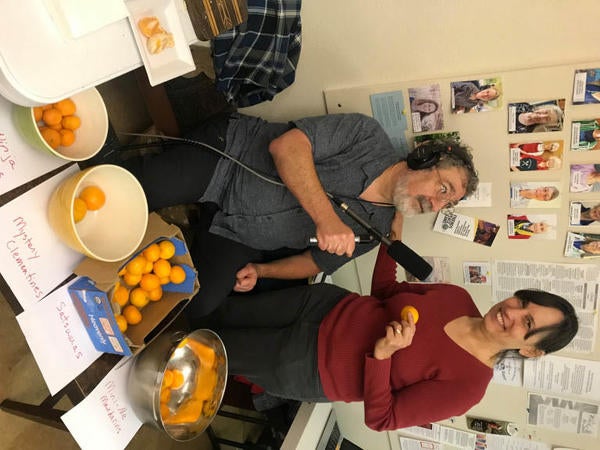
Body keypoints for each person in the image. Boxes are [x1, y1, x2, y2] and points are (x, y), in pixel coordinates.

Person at [115, 112, 479, 317]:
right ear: (425, 160)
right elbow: (287, 147)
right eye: (442, 189)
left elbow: (315, 263)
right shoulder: (366, 134)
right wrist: (326, 218)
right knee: (126, 196)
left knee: (195, 306)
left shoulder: (378, 232)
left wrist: (262, 270)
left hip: (237, 234)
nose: (435, 204)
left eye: (445, 204)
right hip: (227, 163)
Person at [198, 244, 578, 431]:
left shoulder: (468, 387)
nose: (510, 312)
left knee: (205, 349)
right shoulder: (458, 298)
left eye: (526, 322)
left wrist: (382, 356)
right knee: (215, 309)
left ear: (530, 350)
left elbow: (382, 418)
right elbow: (385, 293)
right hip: (320, 305)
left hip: (308, 366)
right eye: (522, 300)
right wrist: (390, 242)